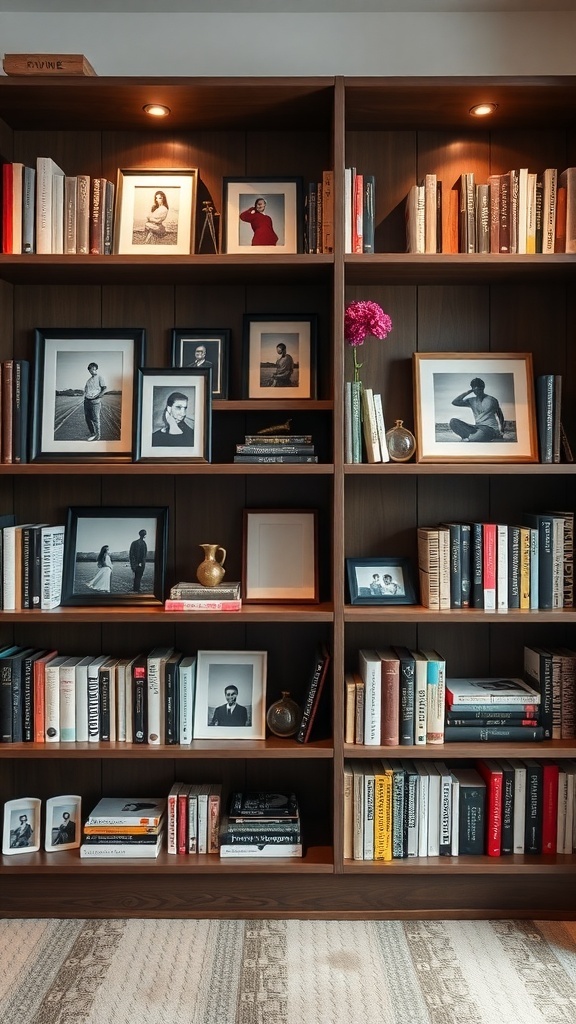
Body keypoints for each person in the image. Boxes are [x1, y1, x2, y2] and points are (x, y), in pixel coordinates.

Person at [449, 377, 505, 442]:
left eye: (480, 388)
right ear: (473, 389)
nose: (477, 391)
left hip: (490, 429)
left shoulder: (492, 400)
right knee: (453, 422)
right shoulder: (471, 401)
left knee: (475, 438)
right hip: (477, 427)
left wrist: (502, 431)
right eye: (475, 388)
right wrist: (468, 392)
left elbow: (500, 415)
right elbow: (455, 402)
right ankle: (468, 437)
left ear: (483, 388)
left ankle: (471, 438)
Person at [84, 361, 107, 441]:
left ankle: (98, 436)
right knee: (87, 418)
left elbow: (104, 388)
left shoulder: (100, 377)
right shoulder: (88, 381)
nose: (92, 371)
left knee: (96, 419)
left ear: (96, 369)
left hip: (95, 402)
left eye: (94, 369)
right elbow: (86, 390)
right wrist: (86, 396)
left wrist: (98, 396)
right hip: (87, 401)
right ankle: (92, 433)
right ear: (89, 371)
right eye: (91, 370)